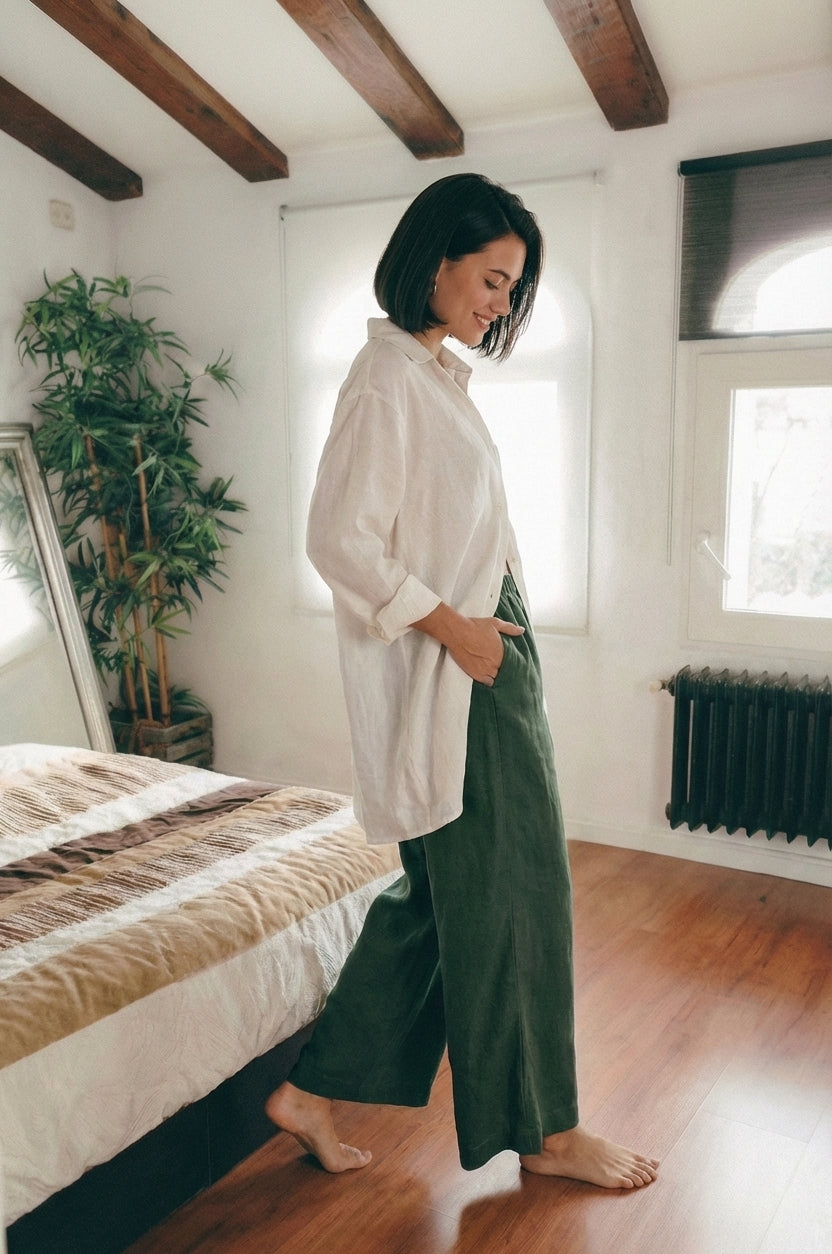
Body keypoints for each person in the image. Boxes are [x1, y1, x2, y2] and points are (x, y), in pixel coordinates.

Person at [267, 173, 659, 1190]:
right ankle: (544, 1131)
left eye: (512, 289)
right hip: (462, 669)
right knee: (518, 895)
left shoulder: (430, 374)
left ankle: (310, 1091)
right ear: (434, 261)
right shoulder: (386, 378)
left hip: (484, 657)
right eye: (491, 279)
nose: (500, 304)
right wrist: (460, 634)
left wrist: (493, 636)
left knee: (441, 898)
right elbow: (337, 542)